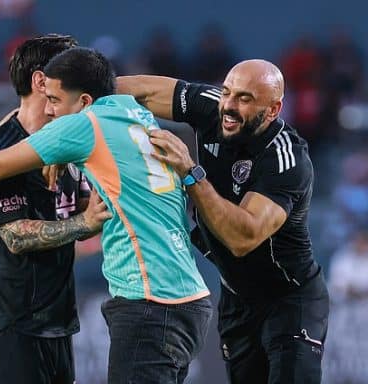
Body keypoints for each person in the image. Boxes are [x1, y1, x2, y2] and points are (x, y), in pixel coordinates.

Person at [0, 47, 213, 384]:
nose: (50, 109)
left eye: (56, 100)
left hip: (149, 301)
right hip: (187, 299)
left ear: (86, 102)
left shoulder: (85, 126)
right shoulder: (134, 110)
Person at [116, 60, 330, 384]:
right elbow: (142, 91)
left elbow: (241, 239)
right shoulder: (212, 107)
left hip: (289, 298)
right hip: (237, 300)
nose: (228, 106)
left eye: (244, 99)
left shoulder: (287, 159)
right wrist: (80, 91)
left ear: (273, 110)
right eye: (227, 92)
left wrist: (191, 173)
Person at [0, 35, 111, 384]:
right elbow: (15, 236)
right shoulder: (3, 150)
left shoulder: (67, 140)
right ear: (41, 81)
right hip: (12, 329)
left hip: (56, 327)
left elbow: (78, 203)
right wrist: (84, 223)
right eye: (70, 70)